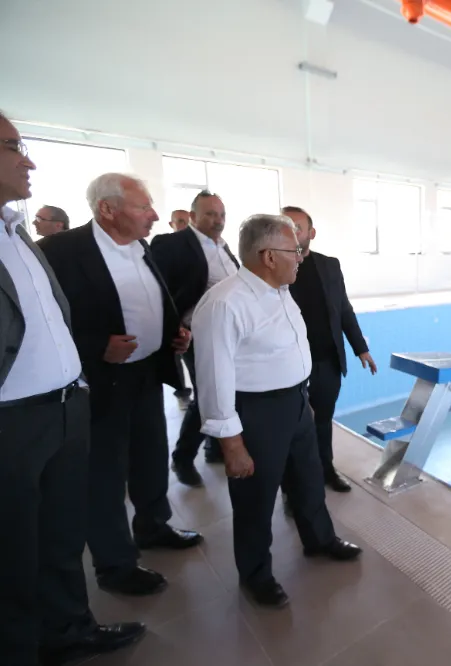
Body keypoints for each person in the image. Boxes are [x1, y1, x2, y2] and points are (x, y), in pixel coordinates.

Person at [0, 113, 144, 665]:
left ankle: (68, 629)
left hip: (65, 406)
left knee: (61, 535)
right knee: (13, 553)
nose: (29, 161)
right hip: (14, 421)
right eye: (14, 146)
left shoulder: (16, 233)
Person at [38, 173, 203, 598]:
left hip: (146, 372)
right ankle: (115, 565)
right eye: (143, 207)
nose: (154, 215)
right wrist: (97, 347)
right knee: (105, 474)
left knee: (150, 455)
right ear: (107, 209)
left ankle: (153, 526)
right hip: (100, 381)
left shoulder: (140, 246)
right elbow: (42, 321)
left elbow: (150, 299)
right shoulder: (60, 251)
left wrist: (174, 333)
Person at [192, 213, 361, 608]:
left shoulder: (281, 290)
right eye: (294, 251)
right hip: (257, 412)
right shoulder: (225, 303)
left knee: (308, 478)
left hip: (296, 402)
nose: (301, 257)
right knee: (256, 498)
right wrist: (232, 445)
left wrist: (302, 399)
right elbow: (214, 378)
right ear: (268, 256)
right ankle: (256, 574)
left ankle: (319, 540)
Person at [284, 205, 376, 492]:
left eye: (297, 227)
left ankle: (326, 470)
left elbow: (343, 309)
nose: (291, 232)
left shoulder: (329, 266)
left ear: (311, 233)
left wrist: (360, 348)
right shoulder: (272, 267)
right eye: (285, 226)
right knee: (291, 426)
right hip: (289, 363)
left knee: (322, 421)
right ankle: (293, 488)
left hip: (326, 360)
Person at [150, 191, 238, 485]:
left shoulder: (224, 247)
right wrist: (174, 327)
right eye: (210, 214)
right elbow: (158, 291)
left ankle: (214, 448)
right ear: (193, 216)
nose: (218, 220)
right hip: (195, 334)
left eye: (222, 215)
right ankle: (182, 459)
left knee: (223, 393)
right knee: (207, 397)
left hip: (227, 334)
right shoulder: (172, 244)